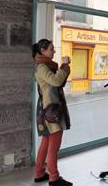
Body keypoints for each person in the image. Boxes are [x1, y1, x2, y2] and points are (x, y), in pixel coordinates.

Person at [32, 39, 73, 186]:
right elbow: (56, 81)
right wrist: (65, 66)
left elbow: (58, 82)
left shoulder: (44, 65)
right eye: (51, 49)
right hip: (51, 111)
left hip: (48, 108)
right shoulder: (42, 67)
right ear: (43, 51)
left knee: (46, 142)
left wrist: (63, 68)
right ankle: (54, 178)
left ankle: (39, 173)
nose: (54, 51)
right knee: (54, 145)